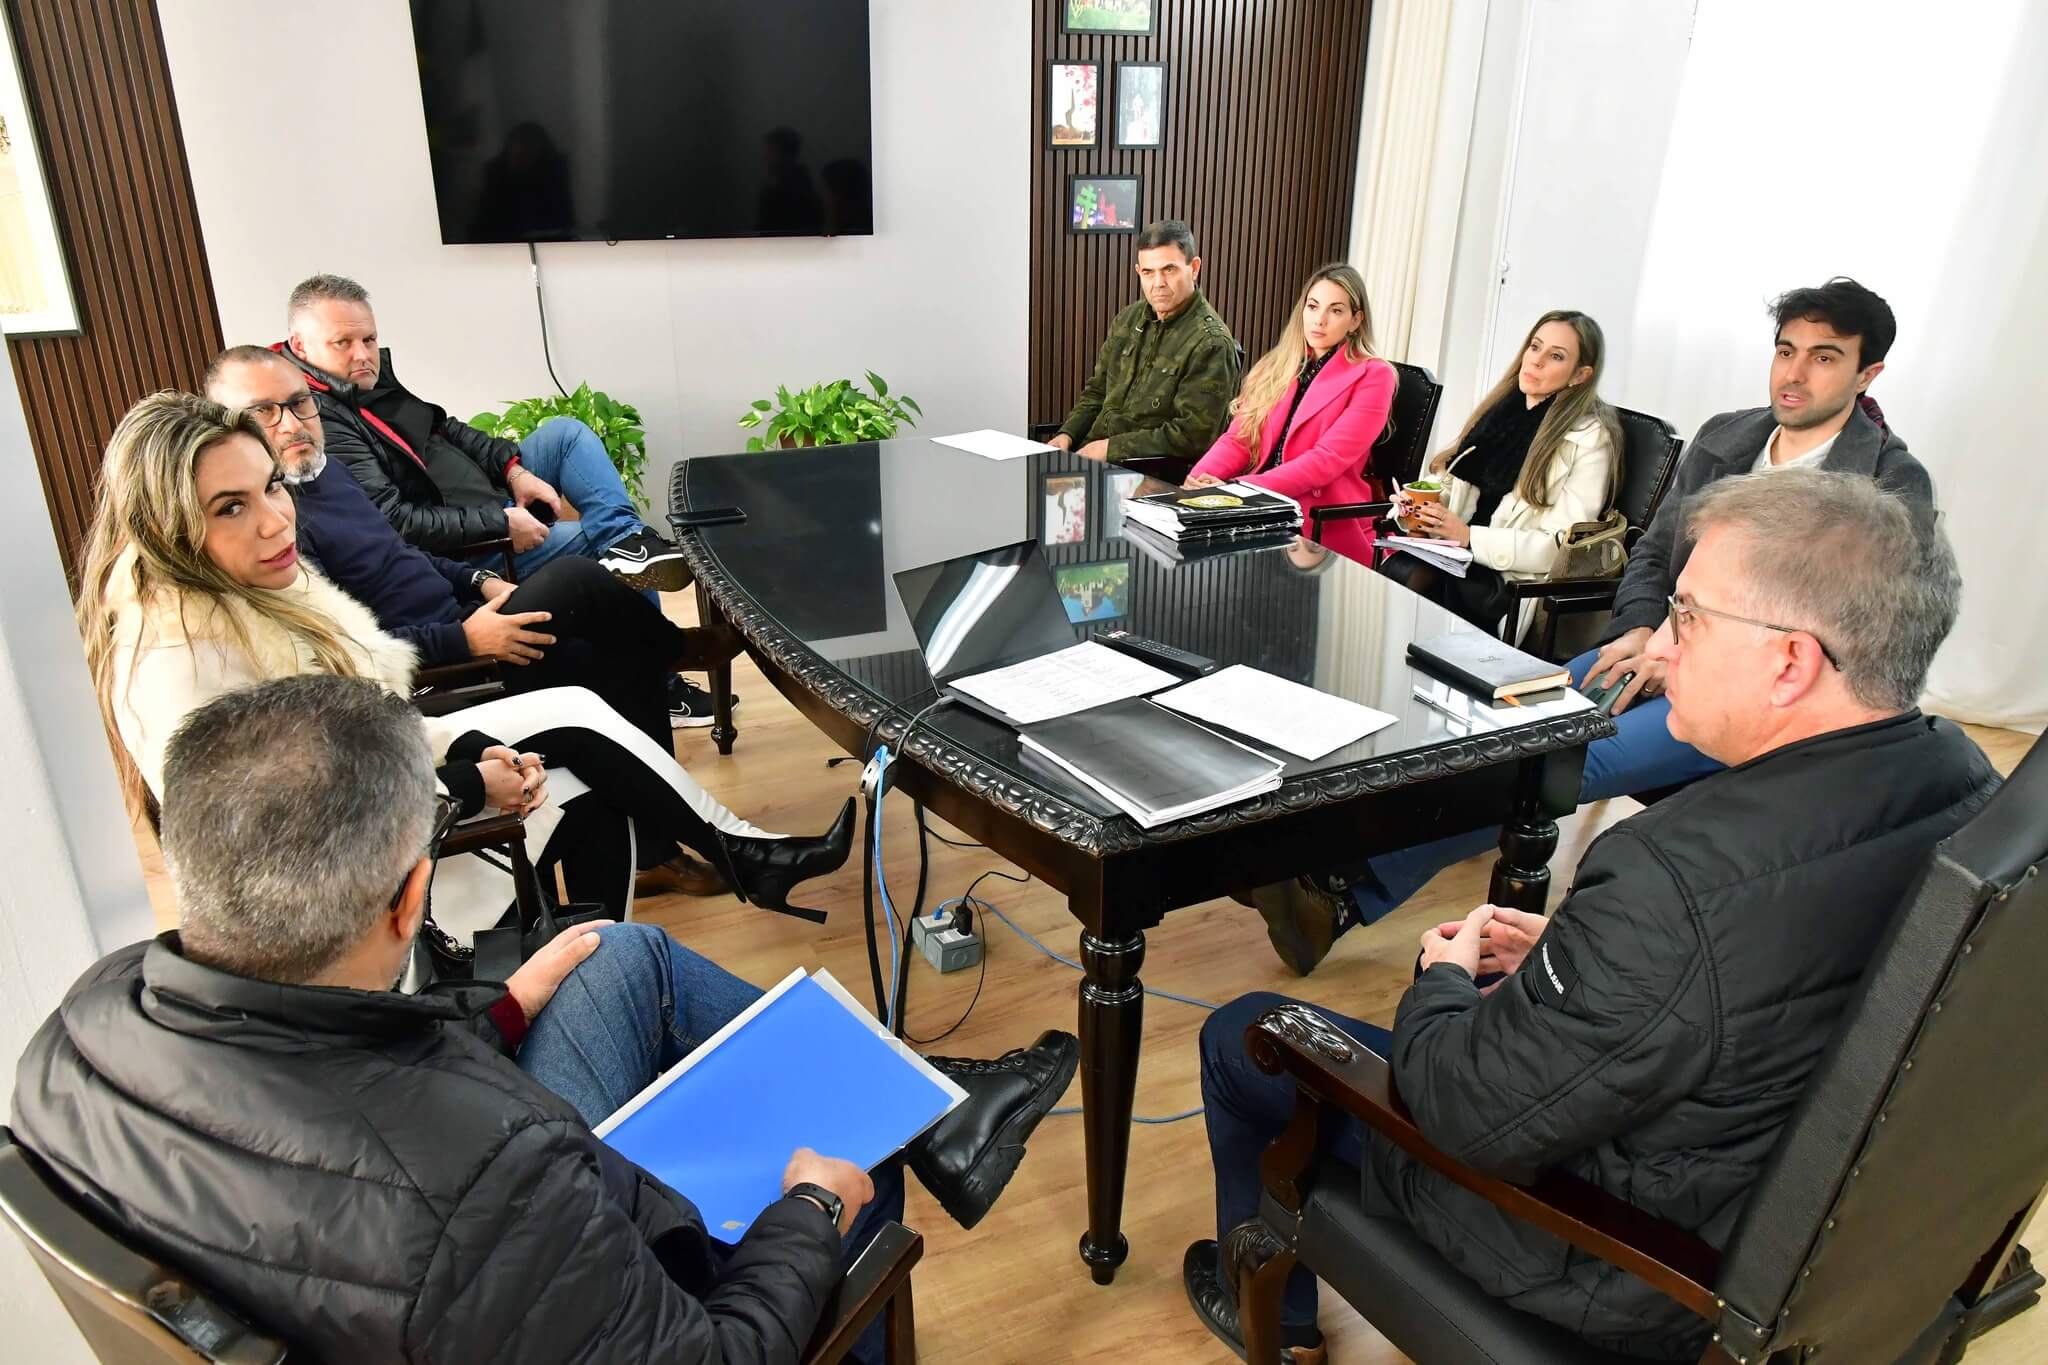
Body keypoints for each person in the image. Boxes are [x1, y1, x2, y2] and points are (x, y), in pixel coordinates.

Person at [12, 675, 1078, 1363]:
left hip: (399, 1248)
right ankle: (916, 1130)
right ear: (409, 900)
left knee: (614, 951)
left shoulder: (78, 1031)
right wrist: (806, 1210)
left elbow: (307, 1109)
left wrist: (500, 1008)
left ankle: (940, 1116)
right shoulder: (492, 1182)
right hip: (505, 1246)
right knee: (852, 1162)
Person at [1186, 470, 1996, 1364]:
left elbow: (1460, 1108)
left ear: (1790, 661)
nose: (1661, 652)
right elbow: (1766, 992)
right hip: (1787, 1219)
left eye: (1688, 617)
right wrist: (1593, 959)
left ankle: (1273, 1316)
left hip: (1623, 1264)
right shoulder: (1964, 785)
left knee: (1247, 1035)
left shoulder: (1672, 877)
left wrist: (1441, 979)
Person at [1244, 276, 1940, 974]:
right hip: (1655, 649)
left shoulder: (1886, 482)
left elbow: (1854, 630)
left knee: (1557, 756)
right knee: (1508, 718)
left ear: (1867, 371)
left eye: (1823, 357)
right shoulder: (1730, 437)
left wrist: (1693, 649)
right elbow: (1655, 553)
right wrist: (1638, 628)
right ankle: (1333, 876)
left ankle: (1342, 892)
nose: (1793, 372)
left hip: (1759, 700)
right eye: (1786, 350)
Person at [75, 391, 841, 933]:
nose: (277, 518)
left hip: (402, 754)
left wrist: (474, 598)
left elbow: (368, 710)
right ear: (167, 527)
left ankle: (685, 892)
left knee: (583, 710)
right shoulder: (179, 659)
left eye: (270, 485)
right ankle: (716, 806)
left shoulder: (270, 574)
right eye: (230, 506)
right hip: (364, 891)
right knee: (584, 681)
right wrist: (470, 777)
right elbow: (290, 842)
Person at [205, 346, 730, 755]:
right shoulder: (275, 525)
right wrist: (466, 639)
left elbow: (403, 552)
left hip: (467, 607)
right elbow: (346, 649)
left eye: (299, 404)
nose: (292, 424)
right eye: (264, 413)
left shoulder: (329, 470)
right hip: (447, 661)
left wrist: (482, 582)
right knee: (578, 579)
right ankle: (678, 647)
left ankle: (657, 853)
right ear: (226, 425)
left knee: (616, 659)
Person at [279, 272, 689, 590]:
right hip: (470, 545)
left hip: (487, 496)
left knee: (565, 433)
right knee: (592, 539)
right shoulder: (316, 416)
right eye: (342, 342)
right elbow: (397, 523)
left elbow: (447, 430)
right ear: (300, 347)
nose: (363, 354)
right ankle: (663, 686)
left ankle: (628, 544)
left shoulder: (366, 382)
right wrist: (500, 522)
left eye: (369, 338)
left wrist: (515, 470)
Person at [1381, 310, 1621, 634]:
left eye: (1556, 356)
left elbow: (1559, 548)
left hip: (1508, 581)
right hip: (1458, 555)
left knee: (1416, 584)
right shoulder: (1501, 410)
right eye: (1535, 347)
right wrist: (1422, 506)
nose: (1535, 361)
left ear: (1580, 375)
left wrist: (1467, 537)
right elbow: (1458, 483)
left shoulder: (1589, 440)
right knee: (1401, 570)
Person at [1184, 263, 1395, 566]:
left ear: (1355, 320)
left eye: (1335, 311)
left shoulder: (1374, 375)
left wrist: (1239, 491)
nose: (1319, 320)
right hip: (1257, 498)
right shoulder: (1278, 365)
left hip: (1315, 512)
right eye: (1313, 306)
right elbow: (1240, 439)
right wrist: (1196, 484)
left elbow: (1326, 460)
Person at [1049, 219, 1241, 465]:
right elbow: (1097, 391)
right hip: (1092, 459)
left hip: (1149, 475)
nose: (1158, 283)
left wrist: (1111, 448)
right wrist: (1067, 434)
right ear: (1139, 272)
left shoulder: (1211, 343)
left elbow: (1194, 436)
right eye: (1149, 272)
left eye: (1169, 270)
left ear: (1194, 268)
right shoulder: (1129, 319)